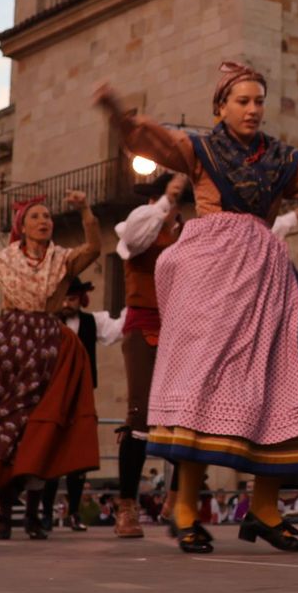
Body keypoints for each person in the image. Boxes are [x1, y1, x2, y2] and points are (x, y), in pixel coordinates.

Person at [95, 61, 298, 554]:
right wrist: (119, 115)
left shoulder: (279, 159)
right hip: (212, 273)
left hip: (266, 276)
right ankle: (185, 506)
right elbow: (154, 141)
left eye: (259, 100)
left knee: (281, 383)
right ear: (221, 107)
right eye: (243, 100)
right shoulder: (201, 149)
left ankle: (264, 508)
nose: (253, 109)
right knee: (204, 381)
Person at [0, 190, 103, 541]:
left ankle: (32, 517)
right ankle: (5, 516)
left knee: (40, 429)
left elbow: (95, 248)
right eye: (36, 217)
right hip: (10, 345)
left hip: (48, 345)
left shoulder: (63, 260)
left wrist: (85, 210)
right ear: (22, 227)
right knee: (5, 429)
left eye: (47, 217)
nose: (45, 221)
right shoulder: (4, 260)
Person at [112, 171, 189, 538]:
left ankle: (177, 501)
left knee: (187, 414)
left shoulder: (187, 233)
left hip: (181, 331)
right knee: (140, 413)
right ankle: (126, 507)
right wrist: (165, 203)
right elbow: (135, 237)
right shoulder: (138, 224)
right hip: (144, 327)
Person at [39, 276, 123, 533]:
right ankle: (45, 513)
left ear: (80, 299)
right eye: (63, 298)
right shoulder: (47, 324)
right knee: (50, 454)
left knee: (77, 456)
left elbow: (119, 328)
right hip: (52, 397)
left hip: (82, 396)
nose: (67, 303)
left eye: (72, 298)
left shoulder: (91, 322)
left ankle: (75, 512)